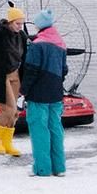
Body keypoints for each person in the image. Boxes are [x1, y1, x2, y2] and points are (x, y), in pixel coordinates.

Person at [20, 9, 69, 177]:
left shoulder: (37, 44)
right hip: (55, 93)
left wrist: (23, 90)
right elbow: (64, 70)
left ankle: (42, 168)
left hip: (38, 93)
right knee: (55, 128)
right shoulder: (61, 44)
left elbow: (31, 70)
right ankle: (59, 167)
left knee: (39, 129)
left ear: (39, 25)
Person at [0, 5, 28, 157]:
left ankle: (7, 142)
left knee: (15, 113)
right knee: (8, 109)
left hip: (15, 74)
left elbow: (25, 55)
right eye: (17, 23)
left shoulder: (21, 36)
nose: (20, 27)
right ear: (10, 22)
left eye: (22, 24)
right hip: (1, 76)